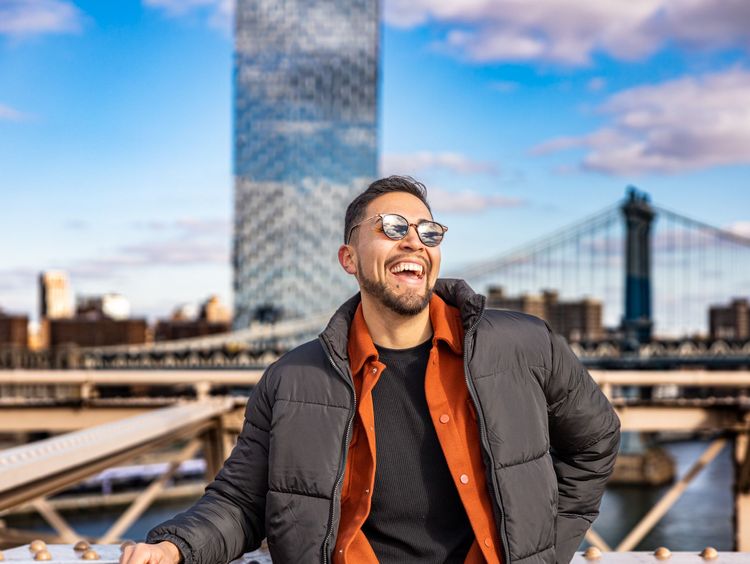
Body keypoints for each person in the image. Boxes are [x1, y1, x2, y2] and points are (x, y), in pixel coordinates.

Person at [121, 176, 620, 564]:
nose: (414, 243)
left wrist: (544, 549)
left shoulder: (524, 346)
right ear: (348, 258)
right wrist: (175, 547)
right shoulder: (292, 380)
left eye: (428, 231)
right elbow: (241, 501)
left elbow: (596, 441)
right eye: (392, 229)